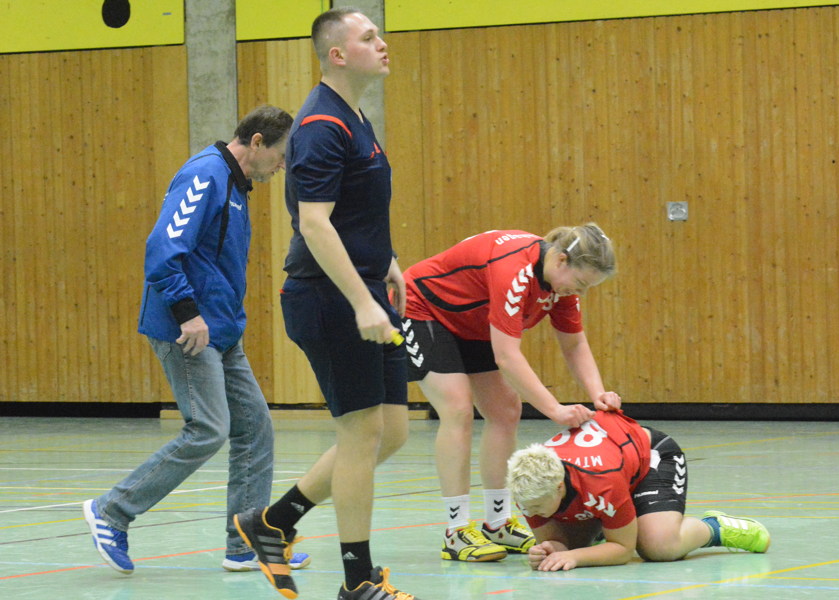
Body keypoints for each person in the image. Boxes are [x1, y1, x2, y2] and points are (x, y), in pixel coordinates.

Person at [232, 9, 420, 600]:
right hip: (330, 298)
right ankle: (357, 581)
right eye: (368, 37)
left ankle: (274, 522)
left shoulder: (355, 116)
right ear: (337, 55)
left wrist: (386, 259)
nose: (382, 43)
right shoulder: (320, 125)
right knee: (361, 433)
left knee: (391, 432)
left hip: (365, 287)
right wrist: (363, 301)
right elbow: (314, 223)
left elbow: (354, 208)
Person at [81, 105, 312, 574]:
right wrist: (188, 313)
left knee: (256, 429)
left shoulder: (236, 186)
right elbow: (162, 248)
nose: (284, 166)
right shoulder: (205, 175)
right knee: (208, 428)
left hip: (221, 331)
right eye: (282, 155)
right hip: (186, 328)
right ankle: (112, 510)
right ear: (257, 143)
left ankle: (244, 543)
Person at [400, 224, 622, 562]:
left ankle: (497, 523)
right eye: (580, 283)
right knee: (457, 409)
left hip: (471, 321)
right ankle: (456, 531)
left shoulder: (560, 286)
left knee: (505, 411)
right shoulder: (515, 270)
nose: (578, 292)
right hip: (423, 309)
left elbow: (574, 344)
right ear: (561, 260)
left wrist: (598, 394)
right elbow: (506, 356)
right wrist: (555, 410)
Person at [506, 410, 771, 570]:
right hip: (610, 472)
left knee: (658, 547)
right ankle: (608, 523)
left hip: (650, 458)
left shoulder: (600, 481)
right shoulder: (528, 488)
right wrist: (551, 548)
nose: (530, 511)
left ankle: (715, 528)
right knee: (572, 547)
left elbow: (623, 550)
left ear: (558, 486)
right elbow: (561, 544)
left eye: (536, 506)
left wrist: (575, 557)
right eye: (526, 506)